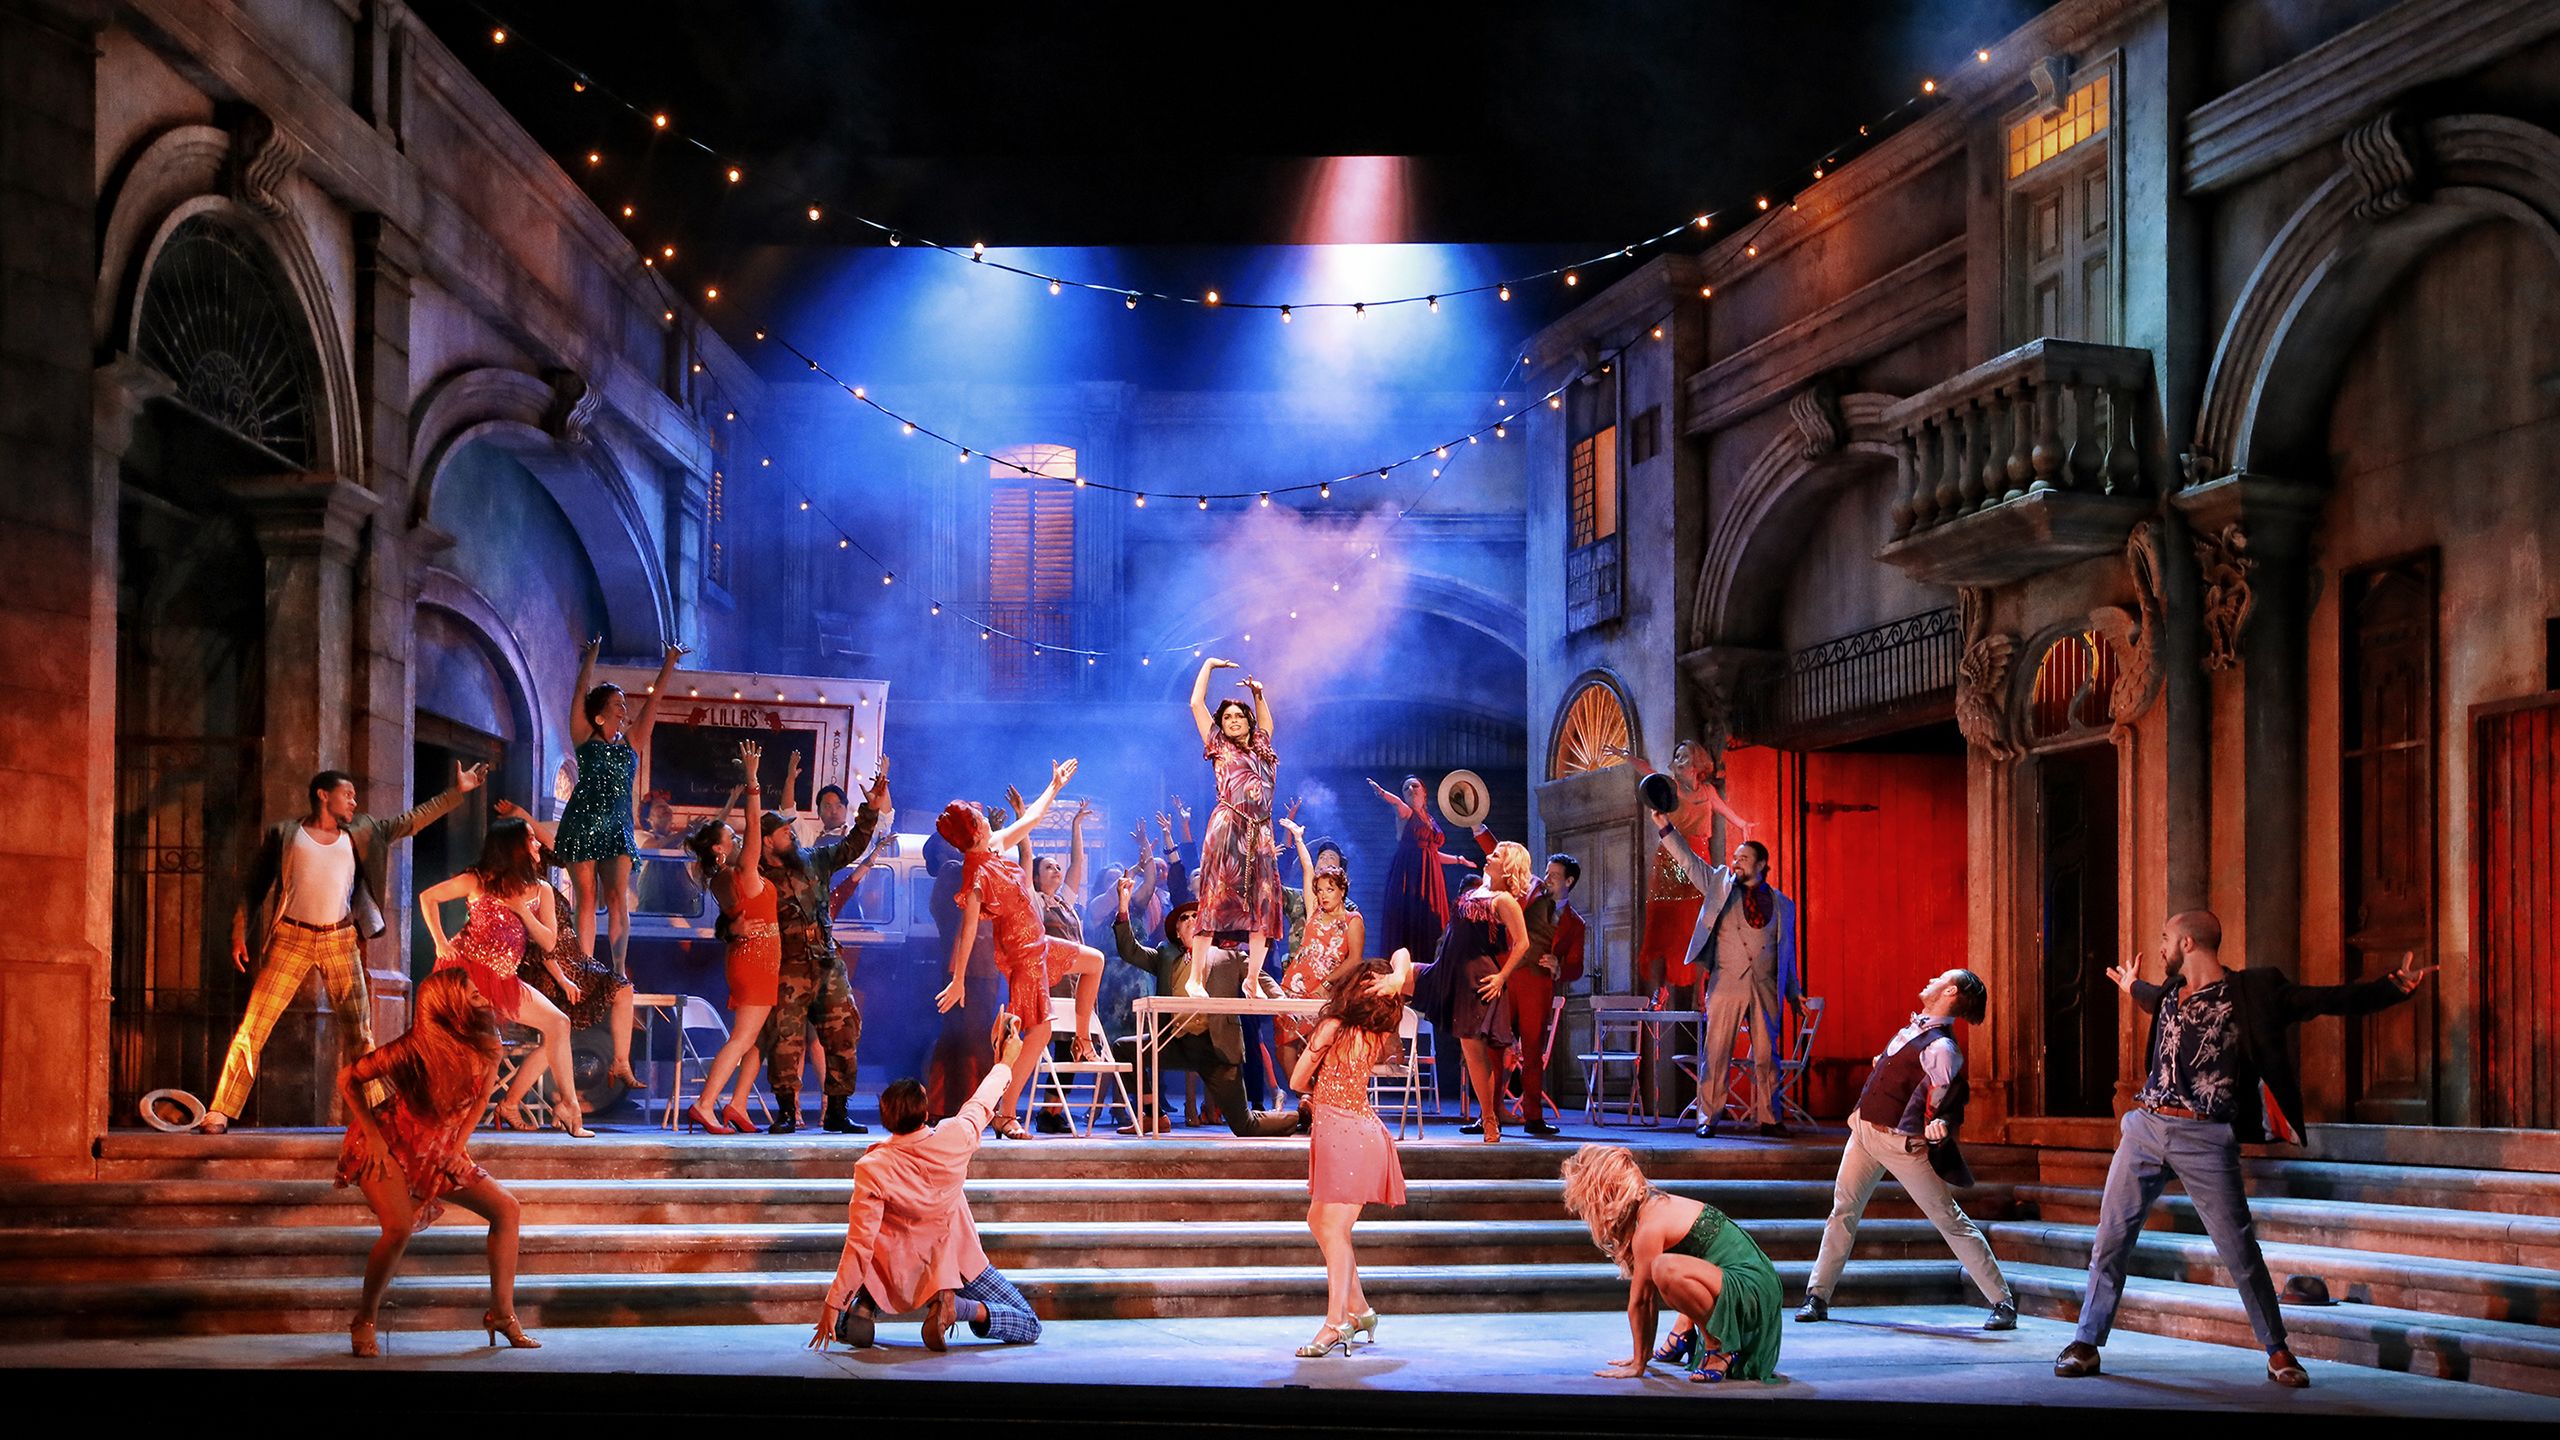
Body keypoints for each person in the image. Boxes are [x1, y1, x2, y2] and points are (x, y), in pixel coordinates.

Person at [2055, 912, 2435, 1388]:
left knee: (2238, 1249)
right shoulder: (2171, 993)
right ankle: (2086, 1343)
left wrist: (2390, 988)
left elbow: (2323, 1000)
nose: (2161, 947)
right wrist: (2133, 986)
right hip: (2145, 1128)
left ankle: (2277, 1350)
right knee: (2111, 1238)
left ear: (2188, 942)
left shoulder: (2252, 993)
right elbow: (2152, 999)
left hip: (2205, 1136)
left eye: (2166, 938)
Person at [207, 761, 488, 1133]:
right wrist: (239, 931)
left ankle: (380, 1114)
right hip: (291, 939)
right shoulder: (286, 834)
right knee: (253, 1027)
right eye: (348, 795)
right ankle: (221, 1111)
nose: (354, 802)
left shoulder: (364, 831)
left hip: (339, 939)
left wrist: (456, 793)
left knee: (361, 1033)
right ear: (324, 795)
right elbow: (255, 885)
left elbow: (412, 820)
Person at [1797, 968, 2014, 1330]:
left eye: (1939, 977)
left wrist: (1941, 1123)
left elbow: (1946, 1101)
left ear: (1951, 990)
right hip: (1865, 1132)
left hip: (1903, 1144)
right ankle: (1817, 1295)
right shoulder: (1914, 1029)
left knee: (1948, 1218)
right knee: (1843, 1210)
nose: (1929, 979)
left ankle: (2002, 1301)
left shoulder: (1942, 1048)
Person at [812, 1015, 1042, 1353]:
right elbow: (982, 1101)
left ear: (886, 1117)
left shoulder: (873, 1166)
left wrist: (834, 1303)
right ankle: (959, 1308)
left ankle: (864, 1305)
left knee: (878, 1249)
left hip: (896, 1271)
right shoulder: (954, 1138)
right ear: (924, 1112)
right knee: (1029, 1323)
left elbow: (860, 1243)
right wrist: (1005, 1061)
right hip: (954, 1264)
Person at [337, 968, 529, 1357]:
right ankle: (365, 1319)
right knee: (398, 1229)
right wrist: (373, 1136)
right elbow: (348, 1078)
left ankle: (502, 1314)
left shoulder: (487, 1041)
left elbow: (478, 1102)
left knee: (506, 1209)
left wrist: (457, 1150)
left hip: (440, 1147)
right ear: (449, 1006)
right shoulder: (414, 1047)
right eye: (474, 996)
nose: (485, 1000)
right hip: (391, 1141)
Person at [932, 760, 1106, 1138]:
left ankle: (1081, 1039)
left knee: (1095, 961)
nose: (984, 819)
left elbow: (1031, 821)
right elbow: (968, 929)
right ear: (974, 830)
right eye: (979, 817)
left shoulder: (994, 846)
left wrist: (1054, 786)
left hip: (1040, 942)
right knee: (1039, 1033)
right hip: (1021, 953)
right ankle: (1005, 1112)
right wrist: (959, 978)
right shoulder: (977, 873)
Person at [417, 818, 590, 1137]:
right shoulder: (479, 880)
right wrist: (440, 942)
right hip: (466, 975)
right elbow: (428, 898)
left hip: (503, 978)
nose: (538, 844)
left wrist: (523, 911)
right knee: (475, 1052)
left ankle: (569, 1105)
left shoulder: (542, 890)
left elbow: (549, 942)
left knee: (559, 1022)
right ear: (513, 846)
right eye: (531, 840)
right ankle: (444, 1121)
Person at [1563, 1142, 1782, 1384]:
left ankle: (1719, 1346)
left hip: (1750, 1288)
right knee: (1667, 1267)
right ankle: (1682, 1333)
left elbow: (1642, 1301)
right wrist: (1642, 1353)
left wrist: (1639, 1363)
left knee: (1664, 1269)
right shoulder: (1651, 1206)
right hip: (1743, 1282)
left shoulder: (1650, 1226)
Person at [1108, 877, 1303, 1138]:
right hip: (1174, 1043)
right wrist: (1123, 906)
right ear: (1177, 931)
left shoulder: (1229, 956)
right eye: (1184, 918)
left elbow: (1264, 980)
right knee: (1124, 1047)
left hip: (1215, 1048)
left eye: (1196, 916)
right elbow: (1130, 951)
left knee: (1245, 1126)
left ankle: (1299, 1116)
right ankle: (1153, 1115)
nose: (1191, 920)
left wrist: (1281, 1003)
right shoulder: (1165, 955)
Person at [760, 753, 890, 1134]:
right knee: (785, 1038)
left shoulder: (816, 859)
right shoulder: (762, 873)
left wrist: (870, 808)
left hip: (826, 961)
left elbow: (854, 845)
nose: (792, 833)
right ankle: (787, 1111)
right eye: (784, 831)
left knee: (843, 1032)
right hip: (788, 964)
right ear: (768, 842)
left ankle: (837, 1110)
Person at [1288, 952, 1408, 1358]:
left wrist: (1320, 1083)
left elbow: (1297, 1079)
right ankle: (1359, 1310)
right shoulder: (1375, 1032)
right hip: (1358, 1133)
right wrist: (1397, 978)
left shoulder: (1333, 1027)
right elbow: (1403, 956)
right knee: (1319, 1221)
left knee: (1334, 1229)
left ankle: (1336, 1322)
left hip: (1345, 1134)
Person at [1657, 821, 1800, 1138]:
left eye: (1744, 858)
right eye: (1735, 857)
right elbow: (1688, 861)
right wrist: (1666, 828)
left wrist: (1793, 992)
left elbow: (1786, 953)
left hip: (1764, 986)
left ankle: (1769, 1117)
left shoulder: (1783, 904)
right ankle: (1708, 1117)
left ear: (1761, 864)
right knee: (1716, 1052)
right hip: (1726, 982)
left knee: (1766, 1056)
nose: (1736, 862)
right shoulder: (1719, 883)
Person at [554, 638, 686, 979]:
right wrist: (590, 658)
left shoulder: (630, 744)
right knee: (587, 896)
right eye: (616, 702)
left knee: (616, 897)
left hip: (617, 828)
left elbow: (653, 702)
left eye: (624, 703)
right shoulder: (584, 736)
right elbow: (579, 692)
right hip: (583, 823)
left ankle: (616, 971)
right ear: (599, 713)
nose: (623, 708)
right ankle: (583, 967)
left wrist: (669, 662)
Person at [494, 799, 641, 1094]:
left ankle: (517, 1104)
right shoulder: (521, 888)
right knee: (615, 994)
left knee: (559, 1034)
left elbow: (561, 850)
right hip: (552, 966)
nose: (538, 844)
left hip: (565, 960)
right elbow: (538, 942)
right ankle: (615, 1066)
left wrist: (523, 814)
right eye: (530, 841)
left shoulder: (536, 877)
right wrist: (562, 978)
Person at [1463, 825, 1583, 1139]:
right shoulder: (1529, 891)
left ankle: (1533, 1117)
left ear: (1569, 881)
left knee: (1532, 1051)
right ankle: (1488, 1114)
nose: (1548, 878)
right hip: (1505, 976)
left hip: (1537, 984)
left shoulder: (1575, 923)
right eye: (1547, 872)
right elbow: (1502, 855)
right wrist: (1478, 826)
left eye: (1555, 875)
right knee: (1493, 1046)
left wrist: (1559, 967)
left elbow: (1576, 967)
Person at [1408, 843, 1532, 1143]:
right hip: (1446, 970)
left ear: (1508, 868)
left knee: (1474, 1053)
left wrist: (1502, 977)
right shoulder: (1474, 892)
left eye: (1497, 855)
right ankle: (1391, 1045)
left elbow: (1523, 943)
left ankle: (1489, 1119)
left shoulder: (1504, 900)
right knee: (1394, 973)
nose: (1489, 856)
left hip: (1475, 979)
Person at [1607, 741, 1750, 1002]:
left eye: (1684, 755)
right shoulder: (1671, 784)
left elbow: (1725, 811)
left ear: (1697, 763)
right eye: (1676, 755)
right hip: (1672, 858)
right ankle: (1659, 990)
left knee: (1699, 922)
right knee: (1665, 923)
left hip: (1699, 856)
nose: (1679, 759)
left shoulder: (1706, 791)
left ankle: (1700, 991)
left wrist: (1743, 824)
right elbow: (1648, 771)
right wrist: (1627, 756)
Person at [685, 741, 775, 1134]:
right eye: (732, 839)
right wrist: (753, 782)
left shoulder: (722, 876)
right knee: (741, 1040)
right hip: (755, 962)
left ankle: (737, 1104)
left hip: (754, 959)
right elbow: (755, 827)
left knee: (756, 1042)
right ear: (721, 850)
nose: (740, 841)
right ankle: (705, 1104)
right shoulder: (741, 875)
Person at [1188, 658, 1284, 981]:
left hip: (1261, 832)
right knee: (1215, 899)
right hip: (1229, 826)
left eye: (1238, 716)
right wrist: (1209, 665)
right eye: (1226, 717)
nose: (1232, 721)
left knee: (1264, 904)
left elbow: (1267, 724)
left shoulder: (1262, 747)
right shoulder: (1218, 745)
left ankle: (1253, 980)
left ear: (1248, 721)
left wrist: (1258, 695)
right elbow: (1195, 703)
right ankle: (1195, 978)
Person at [1274, 819, 1363, 1097]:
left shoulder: (1353, 919)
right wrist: (1299, 839)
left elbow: (1355, 960)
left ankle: (1323, 1099)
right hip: (1295, 987)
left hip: (1327, 991)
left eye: (1330, 890)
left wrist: (1328, 982)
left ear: (1342, 891)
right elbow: (1308, 869)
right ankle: (1305, 1098)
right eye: (1320, 890)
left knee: (1317, 1047)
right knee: (1284, 1044)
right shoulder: (1313, 910)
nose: (1323, 895)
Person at [1365, 775, 1471, 967]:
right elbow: (1396, 803)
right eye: (1406, 788)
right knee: (1411, 918)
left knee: (1433, 920)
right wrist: (1381, 793)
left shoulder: (1429, 819)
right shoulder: (1405, 813)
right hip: (1410, 874)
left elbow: (1433, 854)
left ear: (1424, 792)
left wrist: (1457, 860)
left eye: (1415, 786)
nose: (1411, 790)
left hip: (1431, 876)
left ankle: (1433, 970)